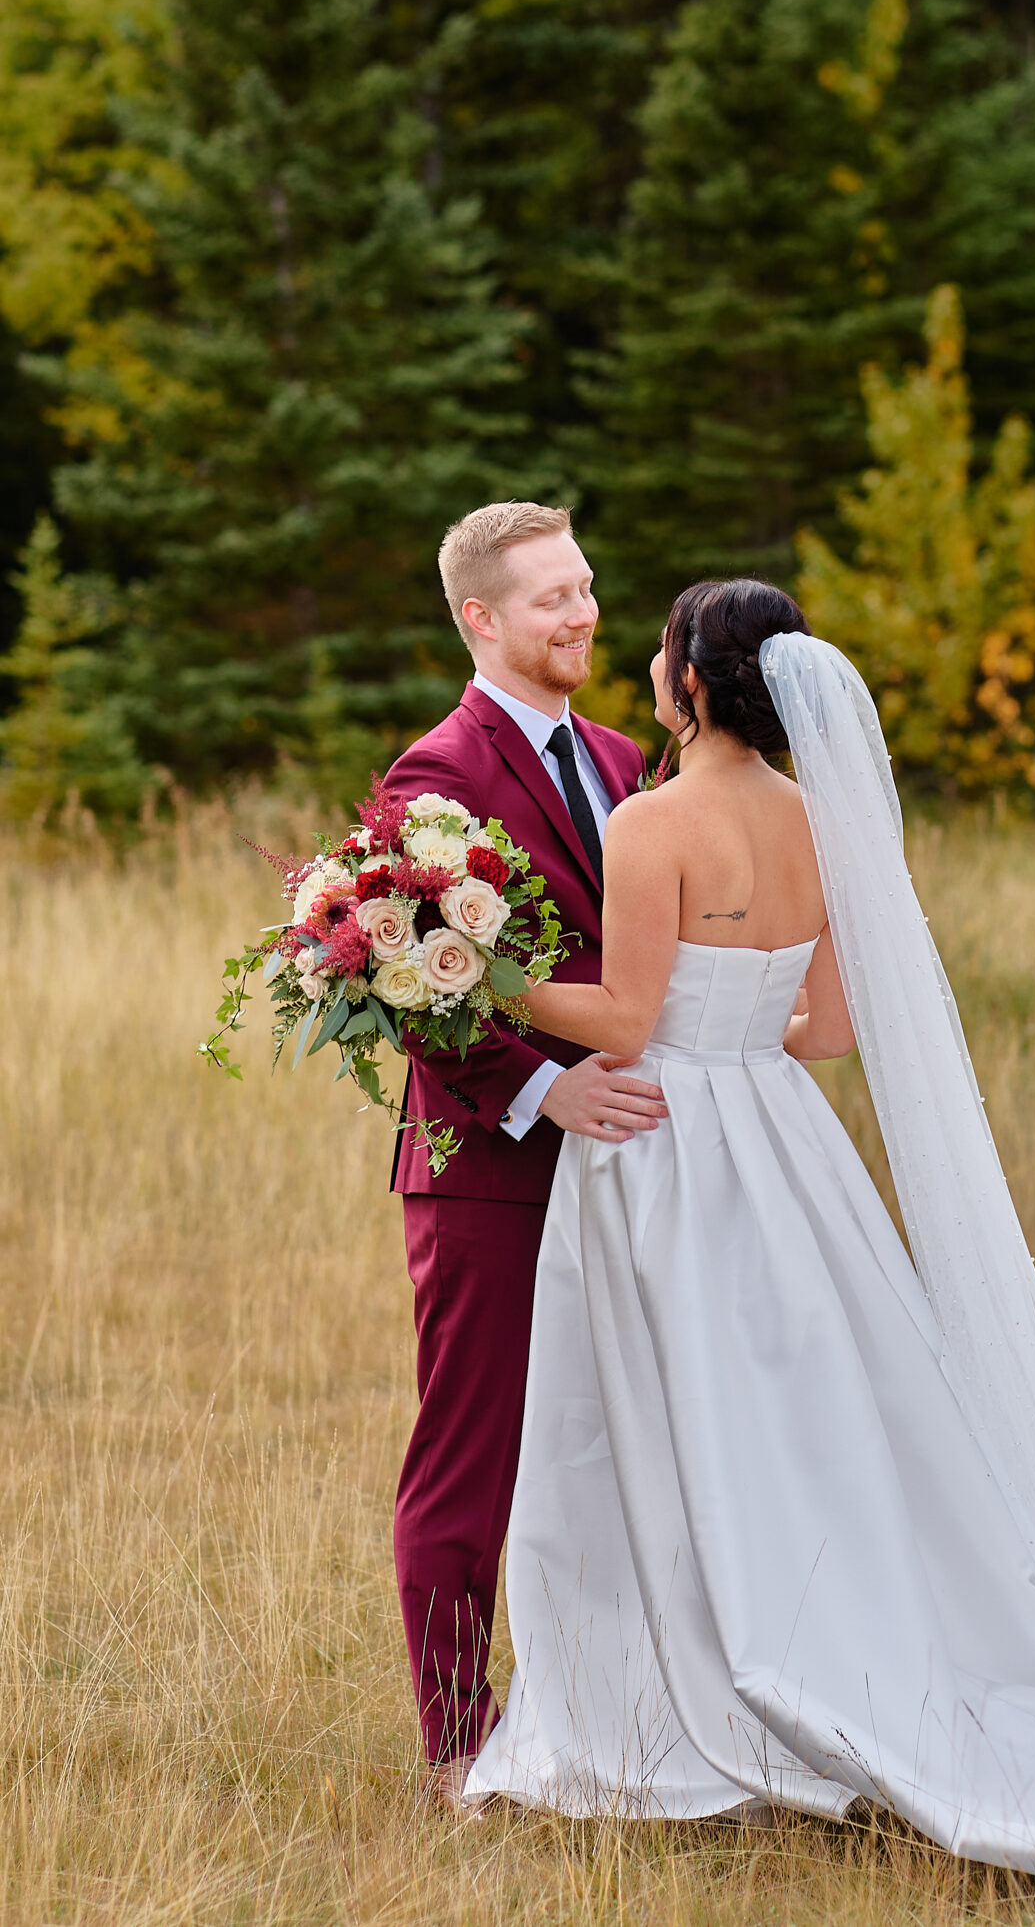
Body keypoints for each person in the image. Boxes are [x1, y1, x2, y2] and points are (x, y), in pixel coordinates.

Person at [463, 578, 1035, 1911]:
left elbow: (627, 1022)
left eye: (657, 651)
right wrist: (737, 1010)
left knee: (657, 1419)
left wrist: (467, 966)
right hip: (785, 1140)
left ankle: (682, 1710)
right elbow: (822, 1030)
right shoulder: (817, 817)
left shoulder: (653, 820)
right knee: (797, 1422)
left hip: (670, 1145)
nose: (647, 667)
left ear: (691, 685)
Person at [381, 501, 666, 1802]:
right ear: (480, 619)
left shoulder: (622, 759)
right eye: (551, 597)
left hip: (635, 1162)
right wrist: (539, 1091)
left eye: (587, 586)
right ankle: (458, 1744)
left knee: (627, 1439)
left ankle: (618, 1711)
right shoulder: (434, 775)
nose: (582, 613)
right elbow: (401, 969)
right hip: (489, 1168)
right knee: (475, 1450)